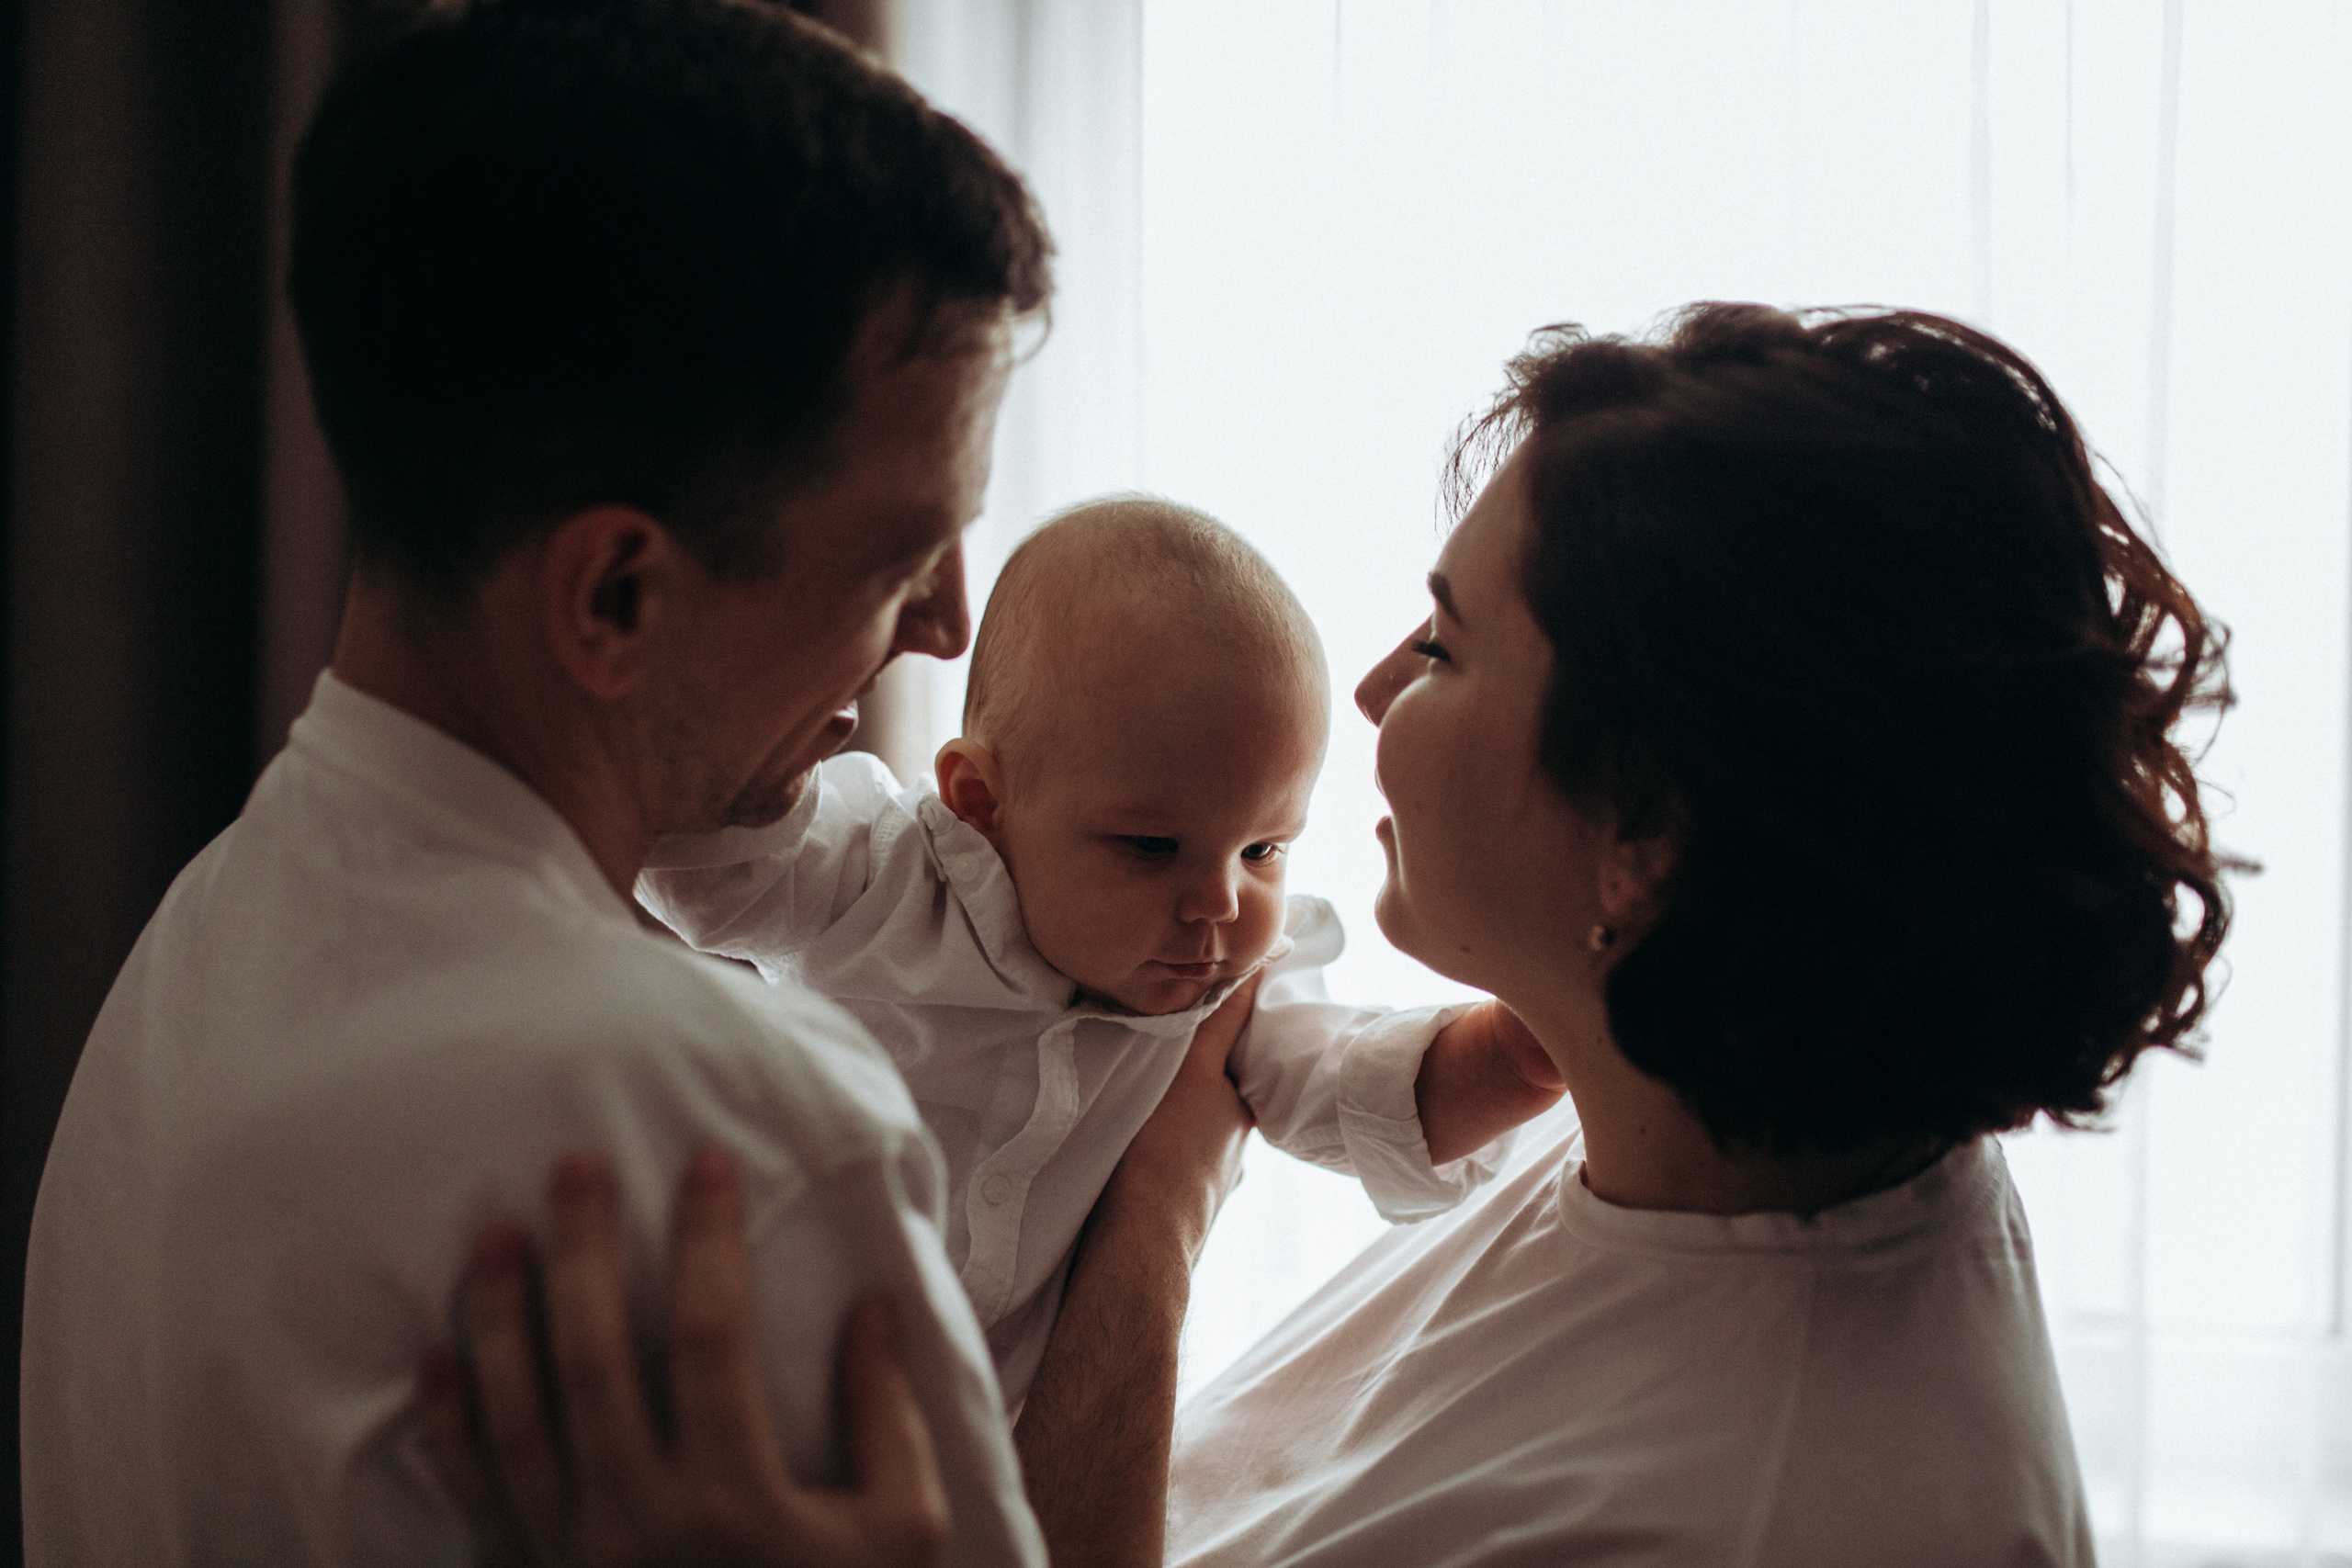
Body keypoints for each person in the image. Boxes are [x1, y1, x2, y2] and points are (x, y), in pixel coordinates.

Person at [423, 302, 2233, 1567]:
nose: (1371, 690)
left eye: (1443, 645)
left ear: (1645, 833)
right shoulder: (1706, 1115)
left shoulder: (1763, 1507)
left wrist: (1157, 1212)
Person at [18, 3, 1061, 1563]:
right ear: (615, 597)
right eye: (902, 553)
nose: (948, 625)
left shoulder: (174, 977)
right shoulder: (736, 1145)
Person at [636, 496, 1560, 1411]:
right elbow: (705, 860)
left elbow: (1351, 1086)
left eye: (1263, 848)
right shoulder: (884, 871)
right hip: (748, 1366)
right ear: (982, 802)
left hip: (995, 1441)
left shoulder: (1235, 990)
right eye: (1151, 847)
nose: (1219, 901)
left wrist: (1524, 1051)